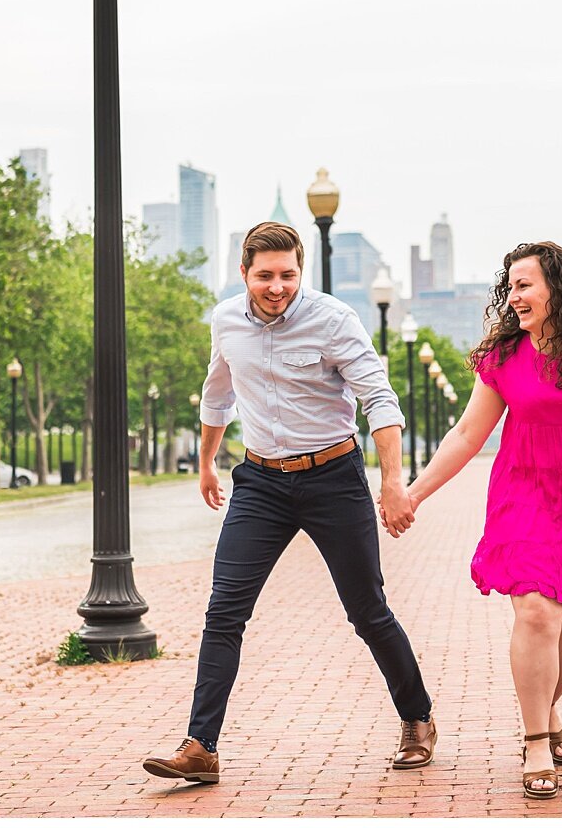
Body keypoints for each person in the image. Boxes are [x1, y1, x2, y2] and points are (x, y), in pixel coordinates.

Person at [142, 222, 436, 784]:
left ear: (301, 270)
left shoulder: (333, 320)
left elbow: (378, 397)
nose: (277, 287)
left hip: (334, 479)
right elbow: (217, 391)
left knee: (366, 610)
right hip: (262, 483)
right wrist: (206, 462)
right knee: (224, 610)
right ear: (244, 273)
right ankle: (200, 746)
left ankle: (417, 718)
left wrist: (393, 482)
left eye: (288, 275)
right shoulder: (226, 319)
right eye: (264, 276)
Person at [403, 240, 562, 799]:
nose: (515, 295)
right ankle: (536, 739)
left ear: (557, 288)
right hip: (527, 497)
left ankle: (546, 707)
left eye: (526, 284)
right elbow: (468, 435)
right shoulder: (504, 358)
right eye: (511, 286)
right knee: (537, 612)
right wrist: (414, 493)